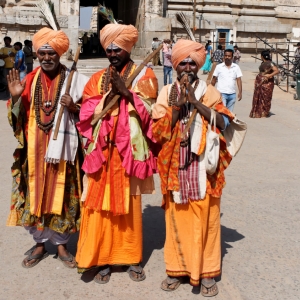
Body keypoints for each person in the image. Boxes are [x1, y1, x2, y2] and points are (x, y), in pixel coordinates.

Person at [75, 23, 159, 284]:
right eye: (109, 49)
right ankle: (102, 258)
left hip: (128, 155)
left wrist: (128, 94)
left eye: (118, 49)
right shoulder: (97, 77)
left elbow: (152, 113)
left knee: (130, 206)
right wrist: (107, 98)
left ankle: (131, 258)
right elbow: (87, 110)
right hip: (103, 153)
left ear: (128, 48)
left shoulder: (145, 76)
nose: (112, 53)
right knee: (99, 206)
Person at [152, 39, 235, 296]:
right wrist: (177, 108)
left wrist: (196, 103)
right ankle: (176, 270)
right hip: (176, 167)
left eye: (191, 62)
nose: (187, 67)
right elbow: (158, 132)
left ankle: (207, 272)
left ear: (198, 65)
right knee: (177, 219)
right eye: (182, 62)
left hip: (204, 170)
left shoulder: (210, 92)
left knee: (206, 220)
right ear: (175, 65)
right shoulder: (166, 93)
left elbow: (223, 122)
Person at [6, 27, 89, 269]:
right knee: (35, 196)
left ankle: (62, 244)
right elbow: (17, 121)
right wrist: (14, 99)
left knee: (63, 195)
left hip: (64, 152)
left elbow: (91, 116)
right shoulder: (30, 81)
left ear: (60, 54)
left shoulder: (75, 81)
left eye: (51, 53)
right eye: (42, 53)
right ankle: (40, 244)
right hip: (35, 152)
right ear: (37, 54)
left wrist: (74, 107)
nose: (46, 58)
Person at [249, 50, 279, 118]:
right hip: (259, 81)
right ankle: (258, 112)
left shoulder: (271, 63)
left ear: (262, 56)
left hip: (267, 82)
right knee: (258, 96)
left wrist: (269, 75)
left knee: (266, 97)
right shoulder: (263, 63)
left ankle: (264, 112)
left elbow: (277, 71)